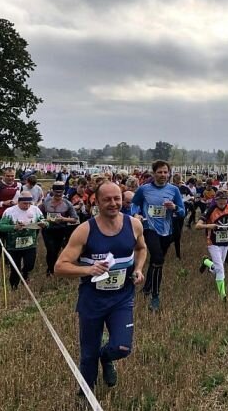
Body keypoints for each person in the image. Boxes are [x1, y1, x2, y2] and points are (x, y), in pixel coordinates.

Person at [55, 181, 146, 393]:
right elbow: (60, 266)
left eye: (117, 198)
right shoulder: (84, 230)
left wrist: (139, 269)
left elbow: (141, 249)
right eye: (107, 199)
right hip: (92, 300)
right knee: (88, 353)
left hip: (122, 298)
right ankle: (86, 393)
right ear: (96, 201)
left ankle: (106, 358)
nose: (113, 203)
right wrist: (88, 270)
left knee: (122, 347)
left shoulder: (134, 225)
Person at [131, 160, 185, 311]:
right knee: (158, 258)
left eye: (165, 172)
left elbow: (182, 212)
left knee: (156, 262)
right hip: (149, 228)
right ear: (154, 173)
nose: (163, 175)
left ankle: (147, 288)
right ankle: (155, 297)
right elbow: (134, 204)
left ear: (169, 174)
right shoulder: (144, 189)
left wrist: (174, 207)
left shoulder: (174, 190)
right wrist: (135, 214)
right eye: (160, 172)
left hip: (167, 231)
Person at [0, 192, 47, 289]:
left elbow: (44, 221)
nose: (27, 206)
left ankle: (25, 273)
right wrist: (14, 227)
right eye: (24, 203)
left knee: (30, 265)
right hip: (13, 246)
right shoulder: (9, 212)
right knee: (15, 268)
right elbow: (1, 227)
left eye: (29, 203)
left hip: (30, 244)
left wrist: (44, 224)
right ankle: (14, 287)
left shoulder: (35, 210)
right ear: (19, 201)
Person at [196, 189, 228, 300]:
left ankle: (206, 262)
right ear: (216, 200)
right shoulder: (210, 209)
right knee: (220, 269)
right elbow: (198, 226)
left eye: (224, 202)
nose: (222, 204)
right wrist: (209, 226)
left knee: (217, 267)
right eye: (220, 202)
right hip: (212, 242)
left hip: (226, 242)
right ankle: (222, 295)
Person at [40, 182, 78, 276]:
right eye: (56, 192)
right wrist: (44, 221)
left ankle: (53, 268)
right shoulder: (46, 202)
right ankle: (50, 270)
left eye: (60, 192)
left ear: (64, 191)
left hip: (61, 230)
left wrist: (63, 219)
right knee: (50, 250)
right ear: (52, 191)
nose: (58, 194)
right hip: (48, 230)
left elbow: (75, 219)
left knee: (56, 251)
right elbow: (39, 215)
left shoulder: (67, 203)